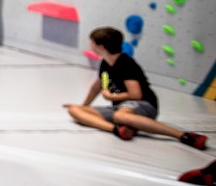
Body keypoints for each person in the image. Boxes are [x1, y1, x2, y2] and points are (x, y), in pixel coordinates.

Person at [64, 27, 207, 149]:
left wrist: (112, 97)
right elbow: (97, 87)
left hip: (143, 104)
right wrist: (83, 106)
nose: (90, 45)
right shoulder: (105, 63)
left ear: (101, 47)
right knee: (74, 111)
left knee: (120, 115)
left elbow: (136, 94)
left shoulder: (126, 63)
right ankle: (117, 129)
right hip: (121, 107)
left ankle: (184, 136)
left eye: (92, 43)